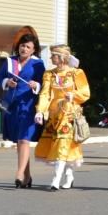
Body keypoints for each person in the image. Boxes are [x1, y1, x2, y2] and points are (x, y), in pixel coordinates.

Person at [34, 44, 91, 190]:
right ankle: (69, 176)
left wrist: (74, 95)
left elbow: (85, 93)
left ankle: (56, 179)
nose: (51, 57)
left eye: (53, 55)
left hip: (70, 114)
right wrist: (40, 111)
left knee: (63, 143)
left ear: (62, 58)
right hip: (55, 115)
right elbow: (45, 94)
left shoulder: (76, 73)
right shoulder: (49, 74)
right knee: (63, 145)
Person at [0, 32, 45, 188]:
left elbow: (44, 84)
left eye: (28, 47)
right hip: (12, 105)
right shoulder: (10, 61)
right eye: (22, 45)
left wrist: (36, 85)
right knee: (19, 142)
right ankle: (27, 176)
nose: (24, 48)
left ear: (33, 50)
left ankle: (19, 174)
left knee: (25, 139)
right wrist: (7, 82)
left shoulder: (38, 64)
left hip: (29, 106)